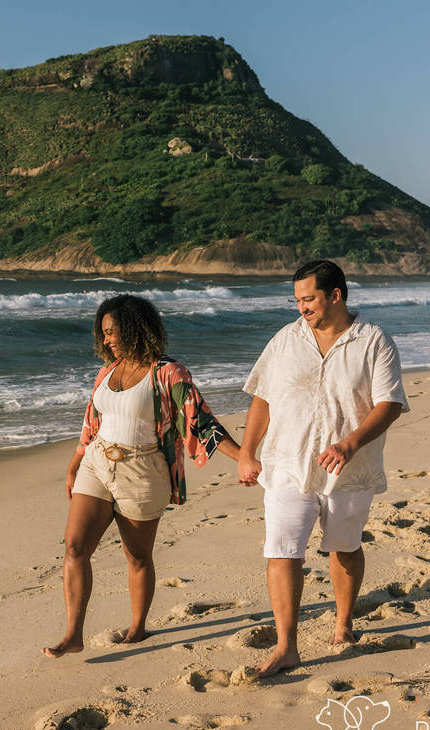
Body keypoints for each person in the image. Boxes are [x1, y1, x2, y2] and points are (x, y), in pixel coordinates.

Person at [43, 294, 240, 658]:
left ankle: (137, 627)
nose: (106, 340)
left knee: (137, 556)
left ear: (135, 327)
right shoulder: (107, 371)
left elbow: (199, 420)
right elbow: (93, 421)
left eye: (112, 332)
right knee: (74, 548)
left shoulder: (168, 371)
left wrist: (242, 457)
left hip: (143, 470)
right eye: (103, 334)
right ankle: (73, 634)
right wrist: (74, 465)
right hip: (97, 463)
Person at [237, 260, 408, 677]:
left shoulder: (374, 341)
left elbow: (389, 404)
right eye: (297, 300)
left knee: (344, 547)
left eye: (308, 299)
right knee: (282, 550)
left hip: (350, 470)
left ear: (335, 295)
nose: (301, 308)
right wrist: (247, 451)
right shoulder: (285, 340)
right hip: (286, 464)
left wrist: (350, 443)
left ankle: (343, 624)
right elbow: (263, 397)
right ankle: (286, 646)